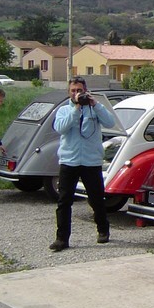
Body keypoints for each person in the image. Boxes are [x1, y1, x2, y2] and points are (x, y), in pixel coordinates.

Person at [49, 77, 117, 251]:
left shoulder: (95, 109)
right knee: (64, 202)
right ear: (68, 92)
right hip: (69, 161)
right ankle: (62, 239)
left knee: (96, 199)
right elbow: (60, 128)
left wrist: (96, 105)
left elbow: (110, 122)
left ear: (85, 90)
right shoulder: (64, 110)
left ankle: (103, 230)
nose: (76, 93)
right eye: (73, 90)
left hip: (90, 161)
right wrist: (76, 109)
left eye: (79, 90)